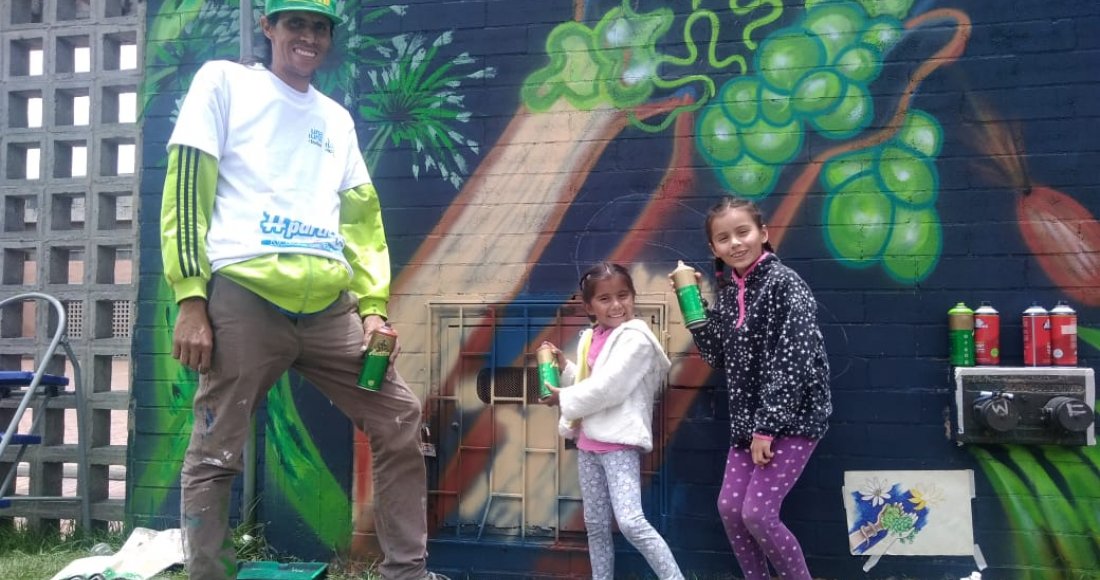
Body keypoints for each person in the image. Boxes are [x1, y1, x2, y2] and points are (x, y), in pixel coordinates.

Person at [159, 1, 446, 578]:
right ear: (268, 27)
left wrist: (371, 310)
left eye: (319, 27)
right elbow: (187, 187)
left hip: (329, 309)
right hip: (244, 294)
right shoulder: (223, 83)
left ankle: (406, 573)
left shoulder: (336, 118)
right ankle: (209, 573)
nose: (308, 37)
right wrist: (192, 297)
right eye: (296, 24)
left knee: (399, 418)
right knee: (216, 449)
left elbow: (361, 219)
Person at [684, 196, 832, 580]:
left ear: (763, 234)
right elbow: (717, 354)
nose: (735, 243)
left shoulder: (785, 284)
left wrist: (767, 427)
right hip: (749, 425)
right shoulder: (732, 291)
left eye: (743, 232)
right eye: (723, 238)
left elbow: (794, 360)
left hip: (792, 419)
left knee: (758, 514)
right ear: (713, 248)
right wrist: (692, 304)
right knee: (731, 510)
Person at [541, 262, 685, 580]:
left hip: (618, 443)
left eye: (623, 295)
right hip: (589, 443)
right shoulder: (592, 337)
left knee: (631, 521)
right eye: (605, 299)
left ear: (633, 296)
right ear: (589, 305)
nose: (616, 305)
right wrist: (565, 369)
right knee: (595, 524)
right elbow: (587, 381)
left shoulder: (637, 339)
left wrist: (563, 399)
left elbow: (611, 388)